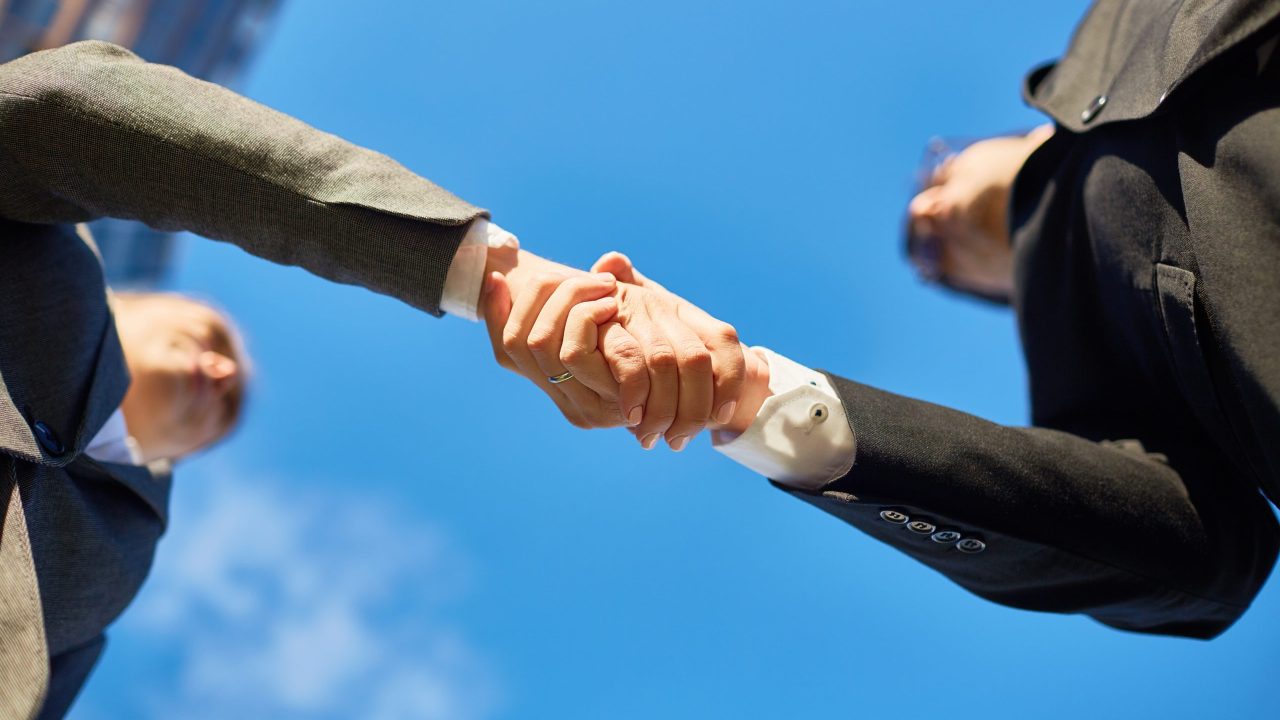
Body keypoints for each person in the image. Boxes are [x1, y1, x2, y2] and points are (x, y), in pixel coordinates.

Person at [0, 40, 748, 719]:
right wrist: (499, 279)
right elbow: (55, 103)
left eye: (227, 408)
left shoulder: (117, 563)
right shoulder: (45, 251)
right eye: (210, 336)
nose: (222, 372)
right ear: (138, 300)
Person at [489, 0, 1280, 641]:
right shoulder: (1100, 379)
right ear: (995, 293)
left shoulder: (1121, 24)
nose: (926, 209)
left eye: (935, 173)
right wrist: (755, 397)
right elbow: (1199, 556)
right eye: (929, 255)